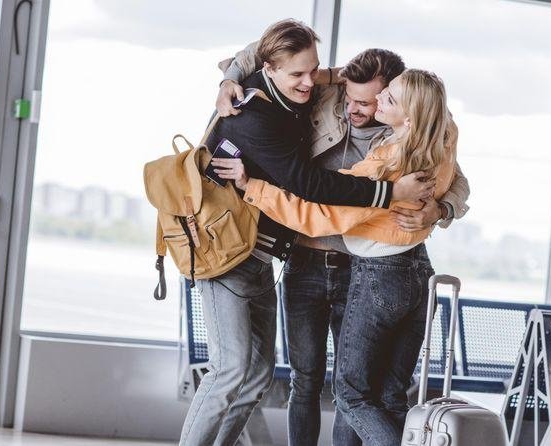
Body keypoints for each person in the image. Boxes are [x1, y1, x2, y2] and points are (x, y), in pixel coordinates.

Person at [177, 19, 435, 446]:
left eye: (313, 71)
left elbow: (451, 175)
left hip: (284, 258)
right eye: (296, 74)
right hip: (239, 255)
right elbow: (310, 186)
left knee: (268, 376)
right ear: (270, 69)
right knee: (243, 371)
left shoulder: (398, 133)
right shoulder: (251, 113)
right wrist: (390, 193)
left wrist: (437, 205)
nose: (309, 82)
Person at [215, 68, 458, 446]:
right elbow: (267, 56)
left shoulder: (384, 167)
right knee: (384, 394)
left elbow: (315, 214)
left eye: (385, 98)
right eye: (358, 98)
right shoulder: (442, 141)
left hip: (376, 275)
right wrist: (230, 78)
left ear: (410, 115)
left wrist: (251, 186)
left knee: (352, 394)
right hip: (415, 272)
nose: (372, 104)